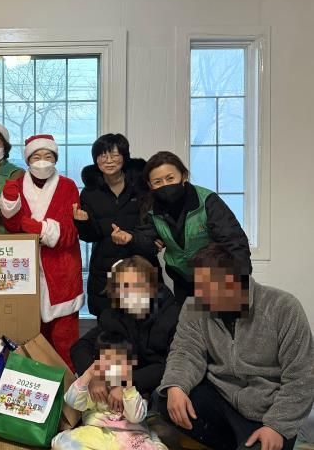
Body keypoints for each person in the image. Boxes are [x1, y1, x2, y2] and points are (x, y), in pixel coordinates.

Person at [157, 244, 314, 450]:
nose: (203, 299)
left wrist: (277, 427)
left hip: (268, 413)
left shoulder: (283, 308)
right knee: (166, 399)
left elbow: (302, 378)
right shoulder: (197, 305)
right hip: (224, 401)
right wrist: (176, 385)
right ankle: (228, 448)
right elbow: (185, 351)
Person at [111, 151, 251, 307]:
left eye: (170, 178)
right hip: (182, 279)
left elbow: (234, 240)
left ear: (183, 176)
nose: (165, 185)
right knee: (186, 319)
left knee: (219, 319)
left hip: (217, 277)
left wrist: (240, 280)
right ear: (150, 185)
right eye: (158, 182)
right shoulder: (150, 208)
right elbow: (148, 240)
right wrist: (131, 238)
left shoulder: (207, 201)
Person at [0, 134, 83, 369]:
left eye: (48, 156)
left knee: (64, 338)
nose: (42, 161)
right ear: (28, 160)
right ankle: (32, 381)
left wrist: (38, 228)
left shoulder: (67, 186)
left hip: (62, 270)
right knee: (29, 335)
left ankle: (68, 382)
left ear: (55, 159)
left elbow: (70, 231)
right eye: (36, 157)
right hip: (26, 269)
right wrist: (9, 202)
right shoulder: (17, 185)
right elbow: (12, 226)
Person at [51, 334, 169, 450]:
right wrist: (88, 374)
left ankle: (152, 437)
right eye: (108, 363)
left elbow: (135, 417)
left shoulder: (133, 389)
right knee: (60, 447)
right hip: (97, 432)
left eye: (119, 364)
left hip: (129, 435)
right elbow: (73, 402)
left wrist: (127, 388)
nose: (113, 369)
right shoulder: (95, 385)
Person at [73, 133, 159, 317]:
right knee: (108, 322)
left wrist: (131, 238)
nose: (109, 160)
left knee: (145, 319)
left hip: (139, 263)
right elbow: (90, 236)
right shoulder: (89, 192)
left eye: (114, 154)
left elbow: (153, 228)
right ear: (95, 159)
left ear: (124, 157)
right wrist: (83, 222)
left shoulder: (142, 187)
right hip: (105, 267)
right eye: (103, 155)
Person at [70, 256, 179, 397]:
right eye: (123, 287)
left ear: (151, 287)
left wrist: (124, 384)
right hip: (118, 384)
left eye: (137, 285)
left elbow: (172, 366)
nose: (129, 292)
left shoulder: (171, 315)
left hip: (157, 387)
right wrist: (94, 375)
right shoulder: (113, 314)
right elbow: (81, 346)